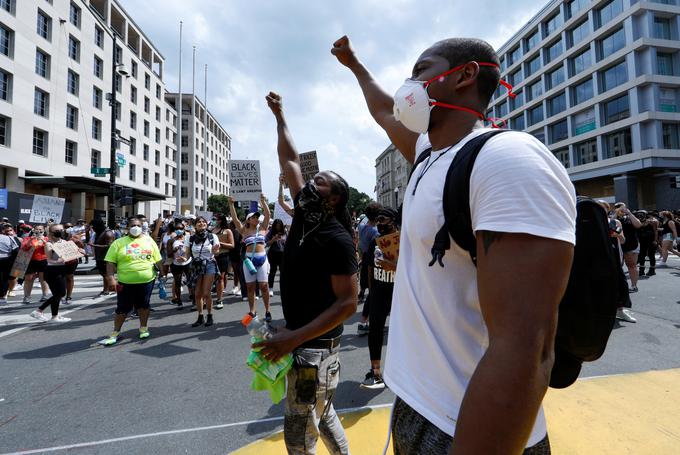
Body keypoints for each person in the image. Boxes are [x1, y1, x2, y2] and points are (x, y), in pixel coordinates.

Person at [333, 35, 576, 453]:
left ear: (463, 75)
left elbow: (527, 349)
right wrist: (354, 64)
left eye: (419, 71)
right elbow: (381, 109)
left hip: (471, 424)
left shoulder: (506, 159)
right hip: (416, 408)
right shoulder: (430, 154)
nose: (407, 87)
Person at [257, 91, 358, 455]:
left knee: (298, 439)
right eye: (312, 183)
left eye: (320, 186)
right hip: (301, 342)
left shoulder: (337, 239)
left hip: (314, 351)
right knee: (324, 413)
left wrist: (293, 338)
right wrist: (280, 116)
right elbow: (290, 160)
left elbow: (348, 303)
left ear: (333, 201)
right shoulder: (303, 213)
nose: (309, 186)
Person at [98, 217, 164, 345]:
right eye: (133, 225)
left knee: (144, 305)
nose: (136, 227)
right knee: (122, 308)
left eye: (139, 225)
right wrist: (111, 279)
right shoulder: (118, 243)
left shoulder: (149, 240)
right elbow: (110, 263)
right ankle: (116, 332)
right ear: (127, 228)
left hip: (147, 280)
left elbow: (158, 259)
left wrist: (163, 273)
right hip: (125, 282)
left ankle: (143, 327)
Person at [361, 207, 398, 390]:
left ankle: (401, 372)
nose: (380, 223)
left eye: (383, 219)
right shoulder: (374, 242)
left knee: (401, 333)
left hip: (399, 294)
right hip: (378, 293)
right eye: (378, 220)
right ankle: (375, 371)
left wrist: (394, 267)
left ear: (392, 220)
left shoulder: (402, 241)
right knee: (375, 330)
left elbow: (414, 268)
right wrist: (371, 292)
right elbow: (368, 269)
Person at [228, 194, 272, 321]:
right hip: (248, 261)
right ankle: (252, 311)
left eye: (258, 217)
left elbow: (268, 215)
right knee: (250, 287)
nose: (257, 219)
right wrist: (231, 204)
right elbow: (235, 219)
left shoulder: (263, 228)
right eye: (254, 217)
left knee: (264, 286)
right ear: (248, 220)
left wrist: (263, 202)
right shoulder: (243, 230)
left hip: (262, 259)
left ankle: (267, 311)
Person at [29, 224, 81, 322]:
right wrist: (59, 260)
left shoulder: (65, 242)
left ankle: (54, 316)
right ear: (51, 232)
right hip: (52, 271)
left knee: (57, 294)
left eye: (61, 230)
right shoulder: (49, 244)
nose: (60, 231)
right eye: (57, 230)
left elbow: (72, 254)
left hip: (62, 270)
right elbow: (49, 260)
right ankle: (39, 310)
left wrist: (79, 251)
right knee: (61, 293)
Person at [186, 216, 220, 327]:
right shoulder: (190, 238)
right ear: (195, 225)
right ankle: (200, 317)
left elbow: (217, 252)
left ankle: (210, 315)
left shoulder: (212, 236)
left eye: (203, 222)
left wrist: (215, 251)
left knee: (206, 293)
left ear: (206, 224)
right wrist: (183, 258)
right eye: (199, 222)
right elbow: (187, 255)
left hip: (209, 264)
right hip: (196, 266)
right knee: (197, 294)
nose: (201, 223)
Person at [614, 203, 642, 292]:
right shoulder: (614, 218)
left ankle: (634, 286)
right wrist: (616, 214)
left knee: (632, 265)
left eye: (622, 207)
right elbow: (609, 225)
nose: (620, 209)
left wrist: (629, 213)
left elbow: (638, 225)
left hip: (632, 244)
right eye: (617, 207)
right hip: (618, 245)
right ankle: (618, 286)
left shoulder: (630, 217)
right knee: (617, 266)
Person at [21, 225, 50, 305]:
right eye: (37, 229)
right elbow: (24, 248)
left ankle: (45, 295)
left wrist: (44, 242)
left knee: (43, 279)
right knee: (29, 279)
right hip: (31, 260)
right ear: (33, 230)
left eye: (40, 229)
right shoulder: (27, 238)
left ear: (43, 230)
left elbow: (51, 249)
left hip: (43, 260)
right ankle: (26, 296)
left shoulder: (47, 239)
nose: (38, 231)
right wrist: (31, 240)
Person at [169, 221, 193, 310]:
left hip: (188, 263)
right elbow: (168, 254)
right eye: (177, 229)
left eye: (181, 229)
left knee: (191, 281)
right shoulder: (171, 240)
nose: (179, 230)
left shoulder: (188, 238)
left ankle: (193, 298)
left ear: (184, 229)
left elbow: (192, 251)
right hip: (176, 264)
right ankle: (179, 301)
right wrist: (174, 250)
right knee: (178, 283)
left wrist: (186, 258)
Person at [212, 214, 234, 309]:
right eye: (215, 219)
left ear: (221, 220)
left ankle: (219, 299)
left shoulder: (227, 231)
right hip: (212, 256)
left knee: (221, 277)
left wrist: (220, 243)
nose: (215, 220)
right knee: (210, 278)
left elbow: (232, 245)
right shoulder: (212, 230)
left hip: (223, 256)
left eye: (217, 219)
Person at [91, 218, 116, 296]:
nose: (93, 228)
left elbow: (109, 246)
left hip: (106, 257)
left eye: (93, 226)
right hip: (100, 257)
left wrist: (94, 245)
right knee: (103, 274)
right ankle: (107, 289)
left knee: (106, 274)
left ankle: (107, 289)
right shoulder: (98, 233)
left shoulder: (108, 233)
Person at [62, 223, 85, 304]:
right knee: (60, 278)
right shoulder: (57, 237)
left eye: (71, 226)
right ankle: (61, 294)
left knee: (69, 277)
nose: (69, 228)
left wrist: (78, 242)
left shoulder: (75, 237)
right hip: (58, 261)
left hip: (71, 261)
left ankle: (68, 296)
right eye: (66, 227)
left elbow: (82, 247)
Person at [265, 219, 287, 297]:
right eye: (277, 225)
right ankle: (270, 289)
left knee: (283, 273)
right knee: (272, 272)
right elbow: (266, 244)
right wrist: (273, 239)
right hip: (273, 254)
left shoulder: (285, 232)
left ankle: (283, 288)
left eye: (279, 226)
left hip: (282, 254)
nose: (278, 227)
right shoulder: (271, 232)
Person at [0, 223, 20, 304]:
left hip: (6, 260)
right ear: (3, 230)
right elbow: (16, 250)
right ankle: (2, 297)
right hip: (7, 260)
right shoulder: (10, 238)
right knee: (5, 279)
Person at [636, 210, 658, 277]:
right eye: (639, 215)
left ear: (645, 215)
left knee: (651, 255)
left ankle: (652, 270)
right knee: (642, 255)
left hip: (650, 241)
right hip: (642, 241)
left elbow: (655, 231)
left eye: (641, 215)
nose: (640, 216)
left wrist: (655, 240)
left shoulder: (652, 222)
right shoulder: (637, 222)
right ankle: (641, 270)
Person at [228, 219, 245, 297]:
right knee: (236, 272)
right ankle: (235, 286)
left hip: (239, 254)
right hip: (233, 254)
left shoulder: (240, 231)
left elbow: (242, 242)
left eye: (230, 225)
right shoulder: (230, 232)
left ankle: (242, 288)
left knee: (240, 272)